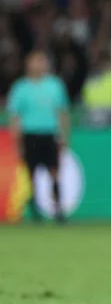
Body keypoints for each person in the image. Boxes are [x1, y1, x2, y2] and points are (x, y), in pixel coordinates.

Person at [6, 50, 71, 223]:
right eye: (36, 61)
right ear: (28, 64)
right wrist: (17, 141)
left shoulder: (55, 85)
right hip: (30, 135)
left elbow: (63, 112)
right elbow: (15, 116)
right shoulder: (20, 87)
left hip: (49, 133)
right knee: (30, 174)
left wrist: (64, 135)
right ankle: (35, 210)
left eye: (42, 61)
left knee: (54, 171)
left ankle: (58, 208)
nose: (40, 64)